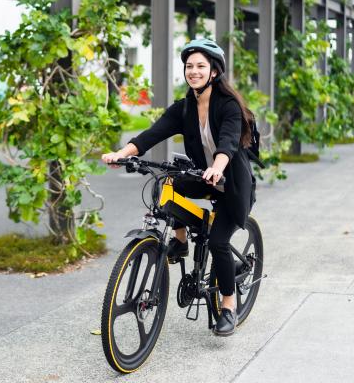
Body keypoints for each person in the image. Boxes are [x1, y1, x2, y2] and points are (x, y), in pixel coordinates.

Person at [101, 38, 256, 337]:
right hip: (203, 176)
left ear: (214, 72)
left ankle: (228, 306)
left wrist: (217, 167)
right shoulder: (184, 108)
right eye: (189, 66)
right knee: (168, 182)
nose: (193, 71)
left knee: (219, 242)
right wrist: (122, 153)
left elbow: (227, 142)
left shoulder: (229, 106)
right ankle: (181, 241)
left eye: (201, 66)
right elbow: (152, 134)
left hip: (232, 184)